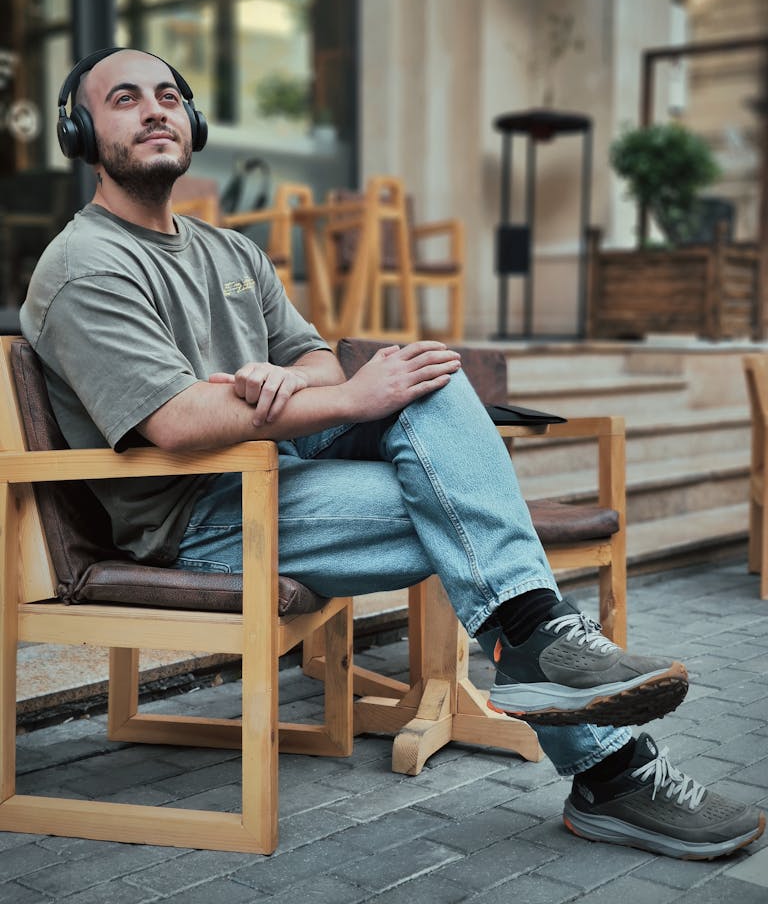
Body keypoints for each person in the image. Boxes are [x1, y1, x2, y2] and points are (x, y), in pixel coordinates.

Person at [21, 48, 764, 860]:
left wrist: (297, 379)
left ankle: (539, 647)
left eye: (168, 95)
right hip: (195, 517)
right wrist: (344, 399)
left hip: (279, 470)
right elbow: (172, 419)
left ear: (193, 122)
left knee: (426, 376)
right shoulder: (83, 265)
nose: (154, 110)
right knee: (460, 513)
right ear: (82, 132)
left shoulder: (229, 252)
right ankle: (608, 764)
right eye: (124, 99)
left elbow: (314, 358)